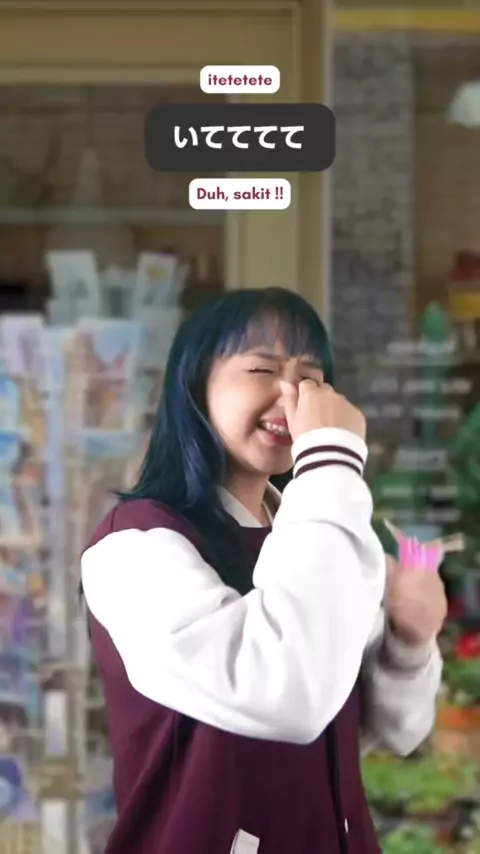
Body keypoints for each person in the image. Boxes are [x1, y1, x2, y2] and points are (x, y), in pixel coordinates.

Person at [80, 287, 446, 854]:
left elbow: (385, 728)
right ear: (194, 387)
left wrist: (408, 641)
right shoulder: (134, 545)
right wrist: (330, 460)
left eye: (311, 377)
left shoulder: (310, 530)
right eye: (261, 369)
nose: (292, 394)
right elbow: (287, 697)